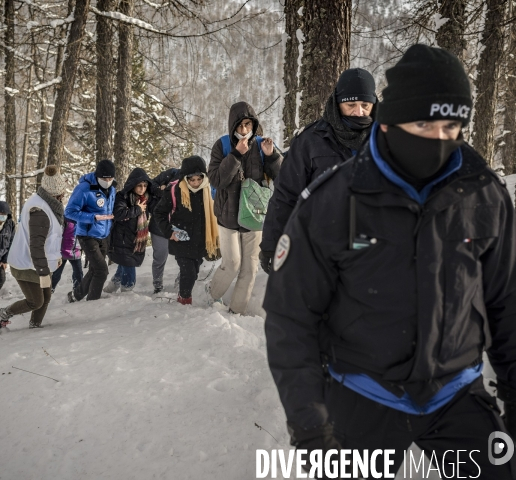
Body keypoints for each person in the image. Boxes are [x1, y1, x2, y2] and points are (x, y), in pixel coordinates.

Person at [263, 44, 516, 478]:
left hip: (456, 393)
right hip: (363, 392)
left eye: (450, 125)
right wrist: (309, 424)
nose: (436, 140)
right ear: (392, 120)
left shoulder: (483, 196)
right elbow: (291, 317)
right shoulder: (333, 201)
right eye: (421, 123)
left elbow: (507, 302)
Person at [260, 68, 377, 273]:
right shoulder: (310, 141)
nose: (359, 112)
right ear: (337, 102)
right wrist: (272, 244)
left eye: (365, 105)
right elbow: (285, 196)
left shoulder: (387, 141)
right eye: (351, 105)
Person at [206, 101, 282, 314]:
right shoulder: (221, 145)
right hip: (227, 216)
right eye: (239, 126)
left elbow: (283, 176)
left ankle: (236, 312)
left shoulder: (262, 145)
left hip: (254, 216)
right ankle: (211, 293)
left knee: (249, 269)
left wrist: (272, 156)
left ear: (254, 124)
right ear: (232, 126)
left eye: (248, 125)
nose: (244, 130)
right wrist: (236, 155)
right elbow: (216, 180)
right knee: (232, 263)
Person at [0, 165, 67, 330]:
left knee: (45, 297)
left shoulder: (49, 205)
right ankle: (1, 314)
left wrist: (56, 258)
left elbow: (51, 239)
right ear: (57, 194)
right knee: (36, 300)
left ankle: (35, 327)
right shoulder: (40, 211)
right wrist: (44, 271)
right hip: (27, 264)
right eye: (62, 193)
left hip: (38, 263)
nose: (64, 196)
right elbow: (36, 246)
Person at [154, 156, 219, 305]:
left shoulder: (209, 191)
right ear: (185, 178)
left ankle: (183, 295)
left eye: (199, 179)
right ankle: (184, 301)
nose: (196, 183)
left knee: (194, 272)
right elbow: (159, 213)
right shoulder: (175, 190)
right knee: (188, 272)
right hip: (181, 240)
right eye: (192, 179)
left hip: (200, 242)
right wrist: (169, 232)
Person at [64, 159, 116, 302]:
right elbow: (69, 212)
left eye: (110, 178)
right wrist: (93, 217)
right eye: (104, 178)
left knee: (95, 269)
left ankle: (75, 295)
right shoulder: (84, 189)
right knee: (101, 271)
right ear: (98, 176)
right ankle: (93, 302)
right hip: (87, 235)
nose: (108, 181)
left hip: (104, 234)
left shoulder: (112, 189)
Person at [105, 167, 157, 293]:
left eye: (145, 186)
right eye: (139, 185)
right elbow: (119, 213)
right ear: (132, 184)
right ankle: (127, 293)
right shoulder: (123, 196)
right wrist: (137, 209)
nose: (142, 189)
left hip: (136, 239)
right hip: (122, 239)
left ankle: (113, 285)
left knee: (125, 263)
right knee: (128, 265)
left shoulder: (146, 198)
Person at [149, 167, 179, 294]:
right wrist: (163, 192)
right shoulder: (171, 173)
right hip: (159, 226)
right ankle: (157, 284)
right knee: (160, 257)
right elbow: (151, 185)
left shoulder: (195, 181)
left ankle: (182, 281)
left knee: (185, 257)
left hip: (179, 227)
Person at [51, 218, 83, 292]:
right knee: (56, 275)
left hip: (76, 252)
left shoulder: (81, 221)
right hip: (62, 252)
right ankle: (49, 290)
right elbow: (58, 235)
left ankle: (77, 291)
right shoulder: (65, 220)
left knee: (78, 274)